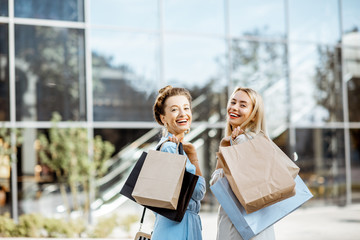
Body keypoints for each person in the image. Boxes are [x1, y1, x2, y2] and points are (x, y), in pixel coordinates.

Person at [210, 87, 276, 240]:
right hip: (259, 225)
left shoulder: (242, 141)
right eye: (233, 102)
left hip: (240, 228)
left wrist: (224, 149)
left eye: (243, 105)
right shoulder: (257, 141)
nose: (234, 107)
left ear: (253, 116)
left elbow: (220, 187)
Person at [150, 85, 206, 240]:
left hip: (179, 227)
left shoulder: (179, 149)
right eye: (174, 109)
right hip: (177, 229)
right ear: (163, 118)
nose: (183, 114)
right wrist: (193, 158)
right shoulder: (169, 148)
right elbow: (199, 191)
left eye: (186, 108)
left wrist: (191, 154)